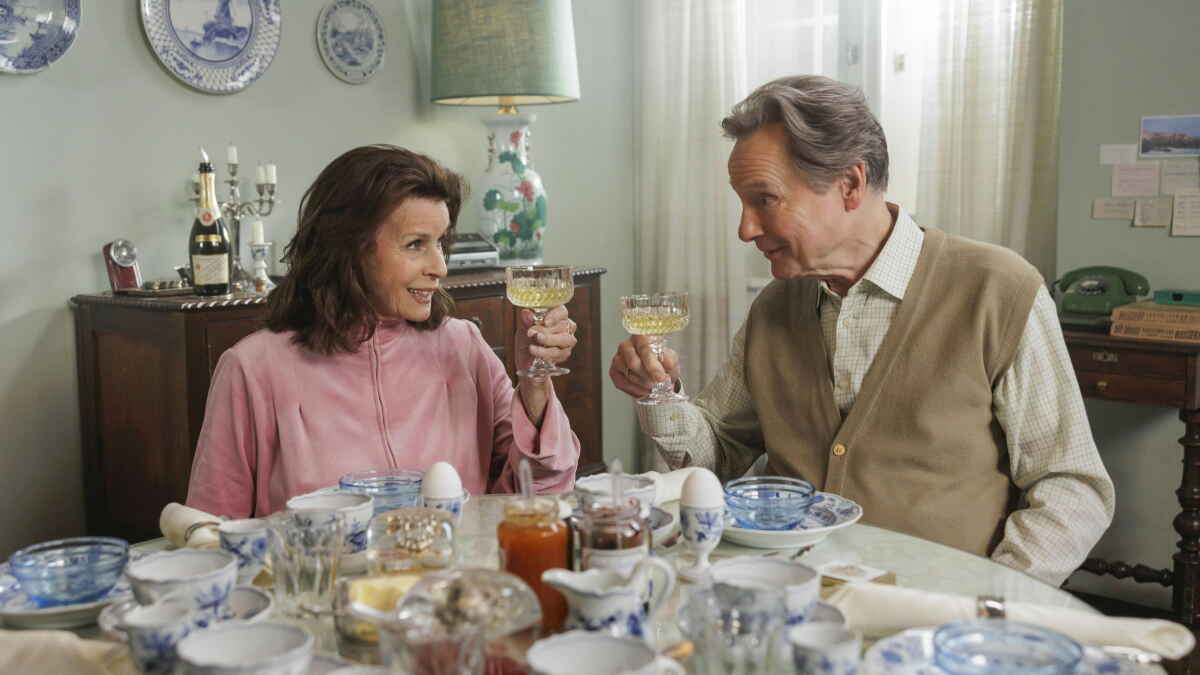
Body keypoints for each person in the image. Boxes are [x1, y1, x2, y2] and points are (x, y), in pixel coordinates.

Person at [610, 76, 1114, 586]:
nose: (746, 229)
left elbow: (1071, 486)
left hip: (940, 610)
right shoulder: (775, 307)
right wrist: (658, 393)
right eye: (743, 203)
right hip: (789, 594)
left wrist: (992, 600)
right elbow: (719, 453)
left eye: (765, 199)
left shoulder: (998, 290)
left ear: (850, 184)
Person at [187, 145, 581, 518]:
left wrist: (533, 383)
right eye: (415, 244)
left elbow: (540, 496)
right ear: (350, 248)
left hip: (456, 568)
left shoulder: (464, 346)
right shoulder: (253, 369)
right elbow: (209, 536)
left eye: (441, 242)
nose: (440, 267)